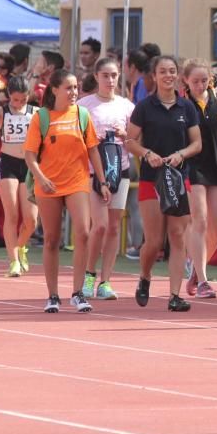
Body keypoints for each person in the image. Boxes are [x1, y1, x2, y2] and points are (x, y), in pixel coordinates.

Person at [24, 70, 110, 313]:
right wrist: (41, 178)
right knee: (52, 239)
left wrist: (102, 181)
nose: (74, 93)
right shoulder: (41, 117)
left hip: (77, 181)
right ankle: (52, 295)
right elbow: (29, 155)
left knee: (82, 232)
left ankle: (78, 292)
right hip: (48, 184)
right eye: (69, 88)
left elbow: (93, 150)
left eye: (76, 88)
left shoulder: (82, 115)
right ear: (54, 90)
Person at [125, 55, 203, 312]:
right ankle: (145, 277)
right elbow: (130, 140)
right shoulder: (145, 107)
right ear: (154, 76)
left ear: (178, 75)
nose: (168, 75)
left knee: (178, 236)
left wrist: (181, 154)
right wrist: (147, 154)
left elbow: (197, 143)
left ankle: (174, 295)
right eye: (163, 71)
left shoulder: (187, 107)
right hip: (152, 178)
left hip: (180, 178)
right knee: (155, 241)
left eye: (172, 71)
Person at [77, 58, 134, 300]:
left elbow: (135, 142)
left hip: (119, 171)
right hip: (93, 172)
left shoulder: (127, 106)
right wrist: (93, 139)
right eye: (105, 76)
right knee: (98, 226)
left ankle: (106, 281)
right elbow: (74, 138)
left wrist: (124, 135)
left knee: (112, 227)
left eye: (114, 75)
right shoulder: (84, 106)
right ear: (97, 77)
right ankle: (89, 276)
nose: (110, 80)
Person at [182, 59, 217, 299]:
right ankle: (204, 280)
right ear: (186, 81)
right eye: (194, 81)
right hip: (193, 168)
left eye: (203, 80)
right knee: (200, 221)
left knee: (215, 230)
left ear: (211, 80)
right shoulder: (183, 105)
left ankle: (196, 267)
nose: (199, 85)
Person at [0, 77, 37, 277]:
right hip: (7, 163)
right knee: (12, 214)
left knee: (31, 220)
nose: (18, 104)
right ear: (9, 97)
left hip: (29, 165)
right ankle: (13, 260)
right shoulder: (2, 111)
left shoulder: (36, 113)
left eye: (23, 100)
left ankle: (21, 246)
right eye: (15, 100)